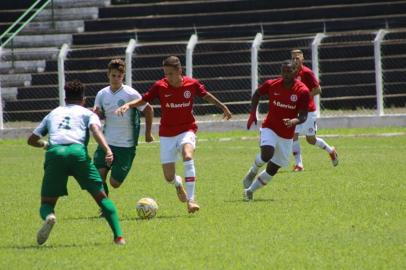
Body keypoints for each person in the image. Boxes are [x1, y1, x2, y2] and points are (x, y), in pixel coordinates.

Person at [115, 56, 232, 213]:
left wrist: (223, 106)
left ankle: (191, 200)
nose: (167, 77)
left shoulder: (192, 84)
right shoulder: (160, 86)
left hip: (187, 129)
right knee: (169, 177)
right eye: (165, 73)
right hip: (167, 134)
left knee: (188, 156)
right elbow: (144, 100)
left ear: (179, 71)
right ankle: (178, 183)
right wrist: (129, 105)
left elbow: (206, 95)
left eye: (170, 73)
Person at [27, 80, 125, 245]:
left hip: (55, 153)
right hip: (77, 153)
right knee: (102, 198)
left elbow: (31, 140)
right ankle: (119, 237)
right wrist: (107, 149)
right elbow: (95, 130)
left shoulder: (53, 113)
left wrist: (45, 144)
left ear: (65, 98)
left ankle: (50, 216)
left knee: (47, 203)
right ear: (84, 99)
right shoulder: (88, 113)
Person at [242, 60, 310, 201]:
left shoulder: (302, 91)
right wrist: (252, 113)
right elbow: (256, 94)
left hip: (286, 135)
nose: (286, 74)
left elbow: (303, 116)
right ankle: (253, 170)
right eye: (283, 71)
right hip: (270, 127)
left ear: (295, 72)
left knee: (273, 169)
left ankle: (250, 191)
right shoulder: (271, 84)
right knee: (267, 154)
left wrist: (293, 121)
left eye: (289, 71)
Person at [92, 59, 154, 203]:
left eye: (119, 76)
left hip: (126, 145)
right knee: (98, 176)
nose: (116, 79)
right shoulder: (101, 94)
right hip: (106, 142)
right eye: (113, 75)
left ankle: (119, 168)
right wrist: (95, 113)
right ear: (108, 75)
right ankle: (105, 208)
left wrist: (148, 133)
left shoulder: (131, 94)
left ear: (123, 76)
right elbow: (98, 114)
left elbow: (149, 109)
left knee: (115, 183)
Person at [290, 49, 338, 171]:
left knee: (310, 140)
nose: (295, 60)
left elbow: (318, 89)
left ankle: (330, 150)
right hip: (295, 111)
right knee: (293, 135)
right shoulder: (290, 73)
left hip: (308, 111)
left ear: (302, 59)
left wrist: (305, 98)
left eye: (297, 58)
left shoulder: (307, 72)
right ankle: (299, 164)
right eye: (293, 58)